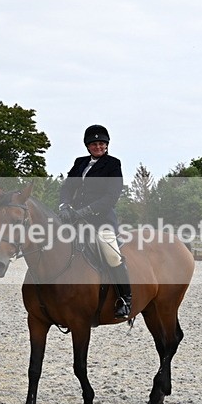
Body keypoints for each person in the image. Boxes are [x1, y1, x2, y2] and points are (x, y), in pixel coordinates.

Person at [59, 124, 132, 319]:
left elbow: (111, 197)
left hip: (101, 221)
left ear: (106, 145)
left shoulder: (113, 164)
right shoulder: (80, 162)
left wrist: (86, 210)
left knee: (112, 255)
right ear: (88, 146)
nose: (98, 147)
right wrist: (64, 205)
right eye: (94, 144)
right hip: (74, 220)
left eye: (101, 143)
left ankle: (125, 299)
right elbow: (67, 187)